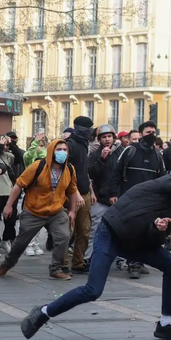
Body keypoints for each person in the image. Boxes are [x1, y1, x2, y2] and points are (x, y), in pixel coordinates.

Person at [19, 165, 171, 340]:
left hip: (134, 241)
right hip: (111, 234)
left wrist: (157, 228)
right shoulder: (166, 183)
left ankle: (166, 324)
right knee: (93, 290)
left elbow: (154, 239)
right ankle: (42, 313)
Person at [0, 139, 82, 280]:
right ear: (52, 151)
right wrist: (9, 205)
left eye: (65, 150)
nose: (62, 153)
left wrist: (72, 211)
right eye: (59, 150)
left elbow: (72, 191)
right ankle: (6, 264)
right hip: (33, 211)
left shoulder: (69, 169)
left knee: (63, 237)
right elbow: (18, 185)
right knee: (20, 243)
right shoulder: (38, 166)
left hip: (56, 211)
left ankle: (56, 269)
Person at [109, 121, 166, 278]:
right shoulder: (130, 151)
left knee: (144, 233)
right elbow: (116, 173)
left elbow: (162, 179)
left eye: (153, 132)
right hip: (129, 199)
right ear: (140, 134)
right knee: (132, 232)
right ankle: (133, 264)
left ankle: (137, 262)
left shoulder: (157, 156)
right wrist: (113, 194)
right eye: (148, 132)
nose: (151, 135)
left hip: (149, 202)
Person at [64, 116, 95, 274]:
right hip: (72, 194)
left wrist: (91, 190)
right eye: (88, 128)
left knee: (84, 229)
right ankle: (62, 263)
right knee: (68, 230)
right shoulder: (70, 145)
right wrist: (75, 192)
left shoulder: (84, 144)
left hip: (85, 192)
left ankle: (78, 262)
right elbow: (67, 171)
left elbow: (83, 171)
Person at [86, 124, 120, 263]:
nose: (107, 140)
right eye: (104, 137)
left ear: (113, 138)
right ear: (99, 139)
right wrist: (102, 159)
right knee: (95, 229)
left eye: (109, 136)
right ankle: (89, 257)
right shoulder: (95, 154)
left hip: (117, 198)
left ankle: (120, 258)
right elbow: (91, 172)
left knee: (119, 230)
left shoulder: (121, 153)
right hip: (100, 197)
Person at [22, 131, 48, 256]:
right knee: (30, 220)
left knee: (40, 220)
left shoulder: (47, 156)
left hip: (44, 192)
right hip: (32, 191)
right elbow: (28, 157)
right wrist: (35, 143)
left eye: (42, 144)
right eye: (38, 143)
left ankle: (35, 243)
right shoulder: (29, 155)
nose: (40, 147)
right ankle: (28, 244)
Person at [0, 135, 17, 258]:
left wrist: (11, 143)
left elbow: (20, 156)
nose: (3, 146)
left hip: (9, 192)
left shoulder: (8, 156)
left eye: (5, 144)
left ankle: (5, 240)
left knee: (11, 219)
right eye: (0, 142)